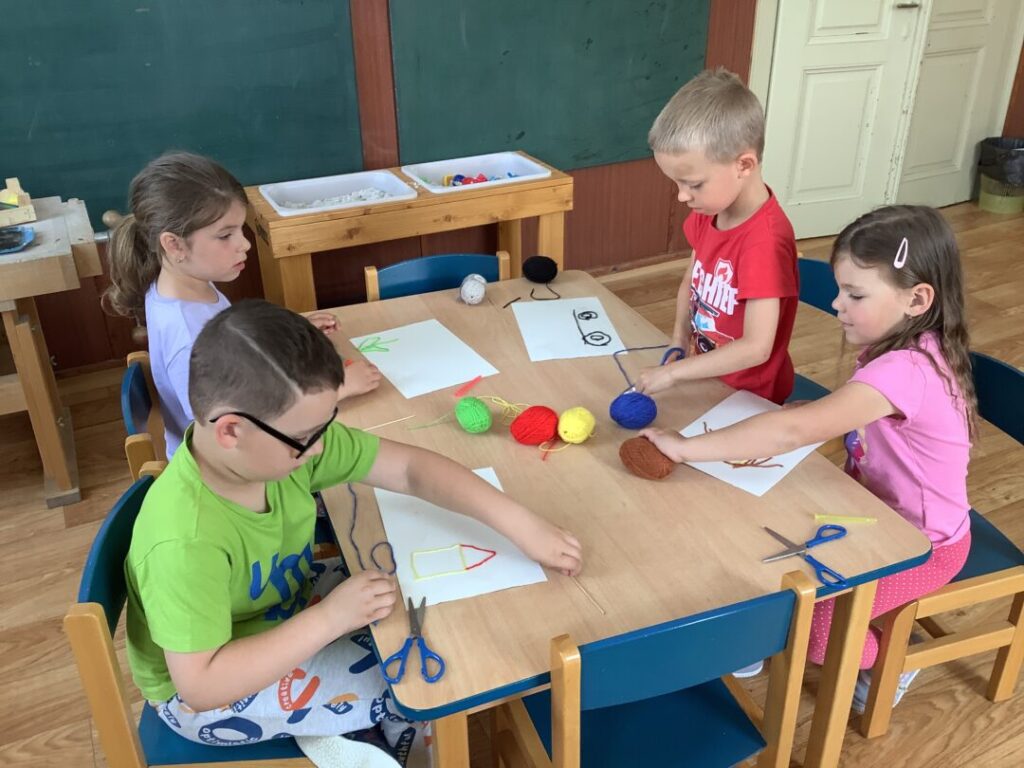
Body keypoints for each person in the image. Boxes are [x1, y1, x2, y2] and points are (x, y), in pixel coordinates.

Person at [125, 299, 583, 761]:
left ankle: (349, 723)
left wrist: (521, 523)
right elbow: (202, 685)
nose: (319, 447)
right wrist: (329, 619)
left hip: (282, 604)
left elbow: (409, 469)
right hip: (209, 698)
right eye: (304, 437)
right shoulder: (184, 541)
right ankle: (374, 741)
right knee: (418, 683)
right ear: (231, 431)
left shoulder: (276, 449)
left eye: (324, 426)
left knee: (420, 614)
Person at [640, 205, 976, 708]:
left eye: (855, 295)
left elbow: (791, 433)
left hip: (923, 545)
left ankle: (894, 658)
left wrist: (685, 448)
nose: (837, 304)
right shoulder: (901, 344)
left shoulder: (906, 367)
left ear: (917, 299)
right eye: (840, 289)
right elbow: (854, 419)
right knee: (754, 544)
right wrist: (825, 413)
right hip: (865, 510)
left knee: (817, 633)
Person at [104, 151, 380, 457]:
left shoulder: (184, 285)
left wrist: (284, 334)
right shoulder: (190, 340)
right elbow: (235, 431)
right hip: (223, 470)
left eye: (240, 229)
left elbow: (233, 352)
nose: (245, 244)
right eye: (225, 235)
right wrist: (336, 390)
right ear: (174, 244)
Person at [636, 68, 799, 405]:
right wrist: (679, 339)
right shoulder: (708, 212)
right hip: (706, 376)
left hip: (749, 397)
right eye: (676, 183)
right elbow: (691, 282)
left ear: (744, 165)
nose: (682, 196)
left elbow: (757, 347)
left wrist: (673, 374)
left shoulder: (764, 243)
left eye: (694, 184)